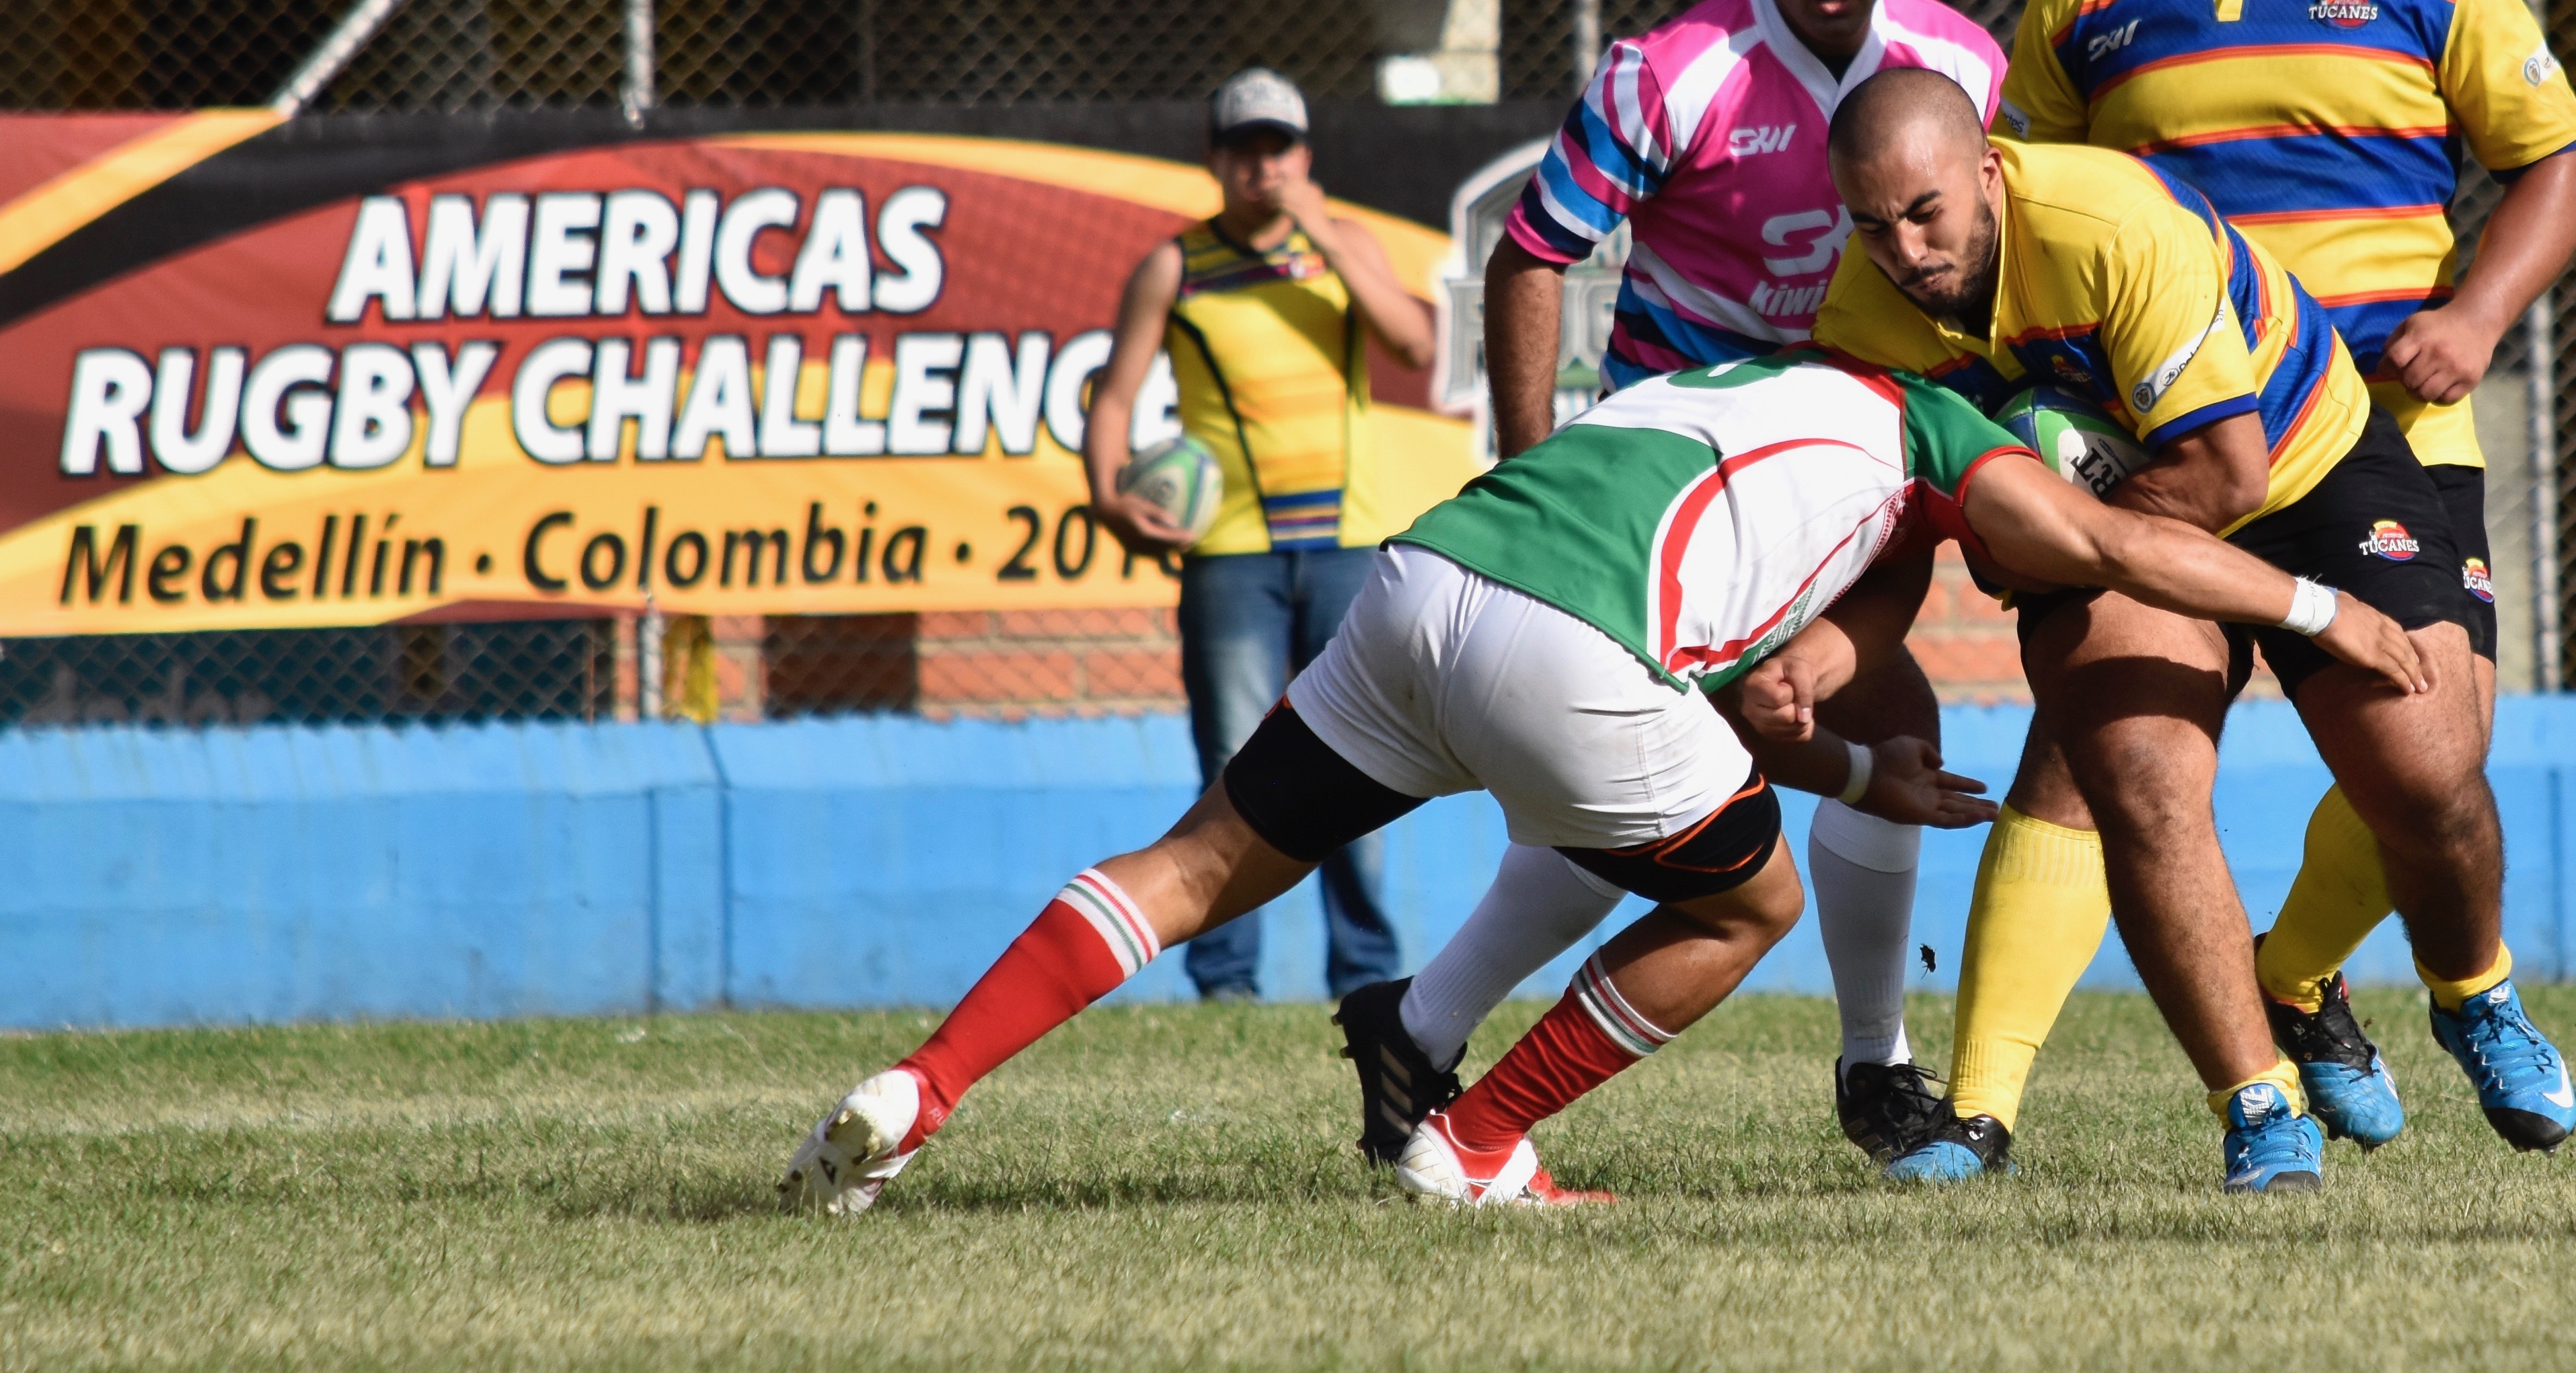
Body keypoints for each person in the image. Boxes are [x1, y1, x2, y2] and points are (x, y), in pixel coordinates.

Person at [779, 347, 2425, 1216]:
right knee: (1753, 894)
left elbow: (1739, 705)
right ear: (2004, 456)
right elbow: (2099, 534)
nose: (2014, 573)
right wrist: (2312, 601)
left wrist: (1870, 769)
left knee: (1199, 853)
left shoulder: (1759, 393)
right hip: (1560, 642)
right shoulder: (1936, 443)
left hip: (1422, 580)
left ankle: (922, 1088)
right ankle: (1474, 1137)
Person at [1334, 0, 2010, 1176]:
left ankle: (1420, 1024)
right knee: (1678, 782)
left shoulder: (1962, 64)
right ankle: (1864, 1069)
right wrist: (1528, 469)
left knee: (1838, 731)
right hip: (1681, 475)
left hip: (1855, 455)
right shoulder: (1673, 72)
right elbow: (1532, 255)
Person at [1992, 0, 2576, 1152]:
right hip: (2176, 451)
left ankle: (2354, 983)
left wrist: (2479, 315)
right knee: (2105, 755)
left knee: (2433, 759)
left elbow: (2551, 163)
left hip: (2385, 426)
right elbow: (2027, 220)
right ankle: (1970, 1106)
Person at [1812, 68, 2569, 1184]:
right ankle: (2258, 1107)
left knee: (2428, 760)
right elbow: (1898, 535)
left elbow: (2226, 475)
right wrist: (1829, 657)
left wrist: (2053, 535)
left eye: (1926, 211)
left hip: (2298, 465)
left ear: (1986, 170)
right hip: (2111, 524)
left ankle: (2471, 992)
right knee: (2136, 775)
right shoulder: (1859, 322)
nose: (1904, 248)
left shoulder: (2109, 227)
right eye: (1871, 225)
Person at [1084, 68, 1433, 1003]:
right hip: (1230, 549)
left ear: (1305, 157)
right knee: (1231, 761)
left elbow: (1415, 344)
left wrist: (1323, 229)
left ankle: (1366, 974)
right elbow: (1113, 394)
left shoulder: (1341, 244)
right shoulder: (1177, 264)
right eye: (1244, 150)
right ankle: (1223, 980)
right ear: (1215, 160)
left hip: (1351, 546)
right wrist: (1108, 495)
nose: (1261, 166)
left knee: (1363, 761)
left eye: (1277, 148)